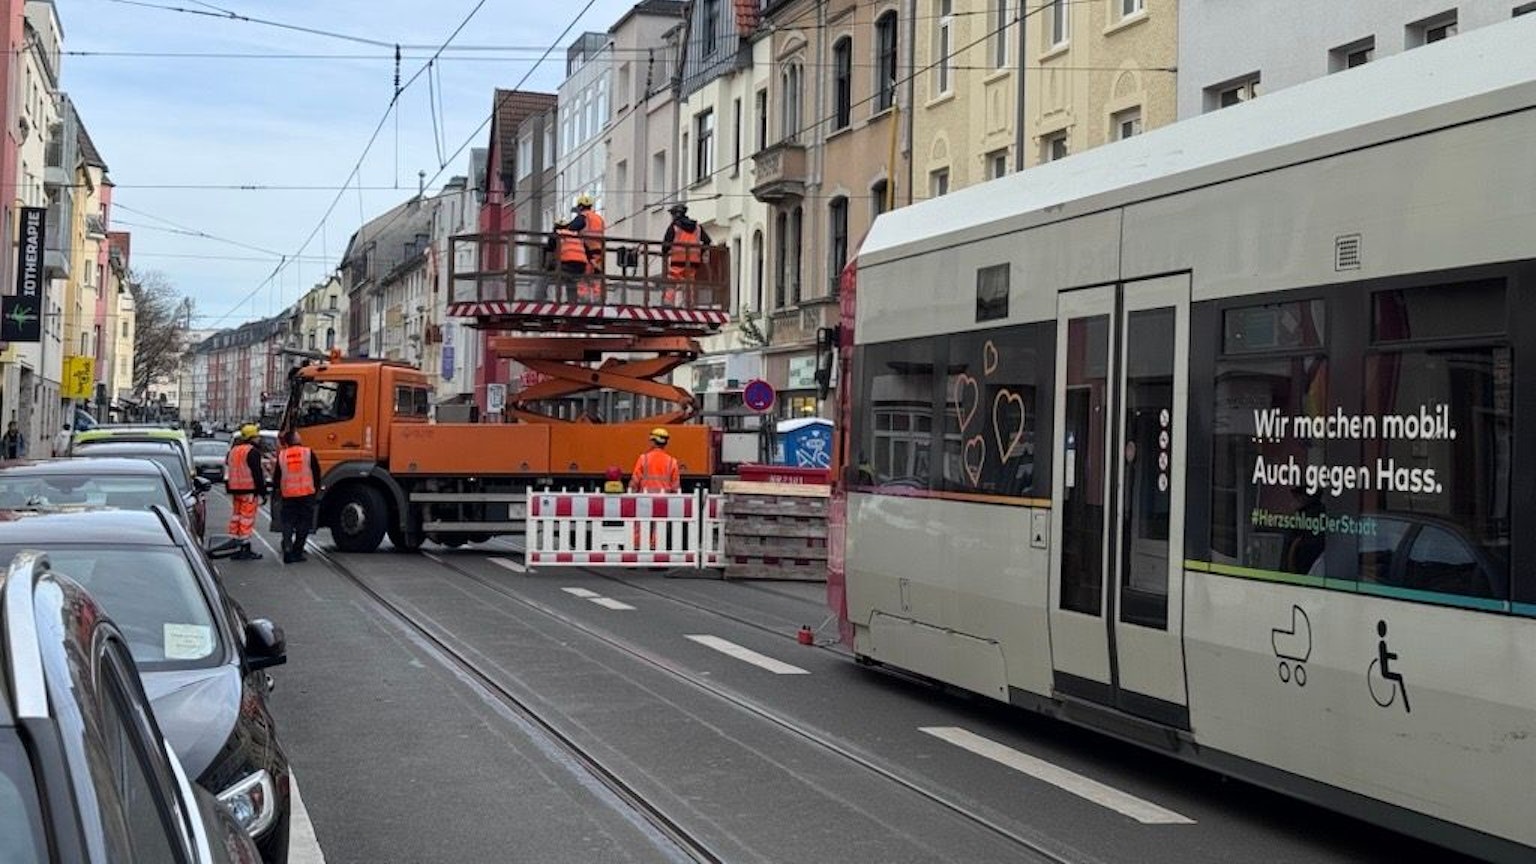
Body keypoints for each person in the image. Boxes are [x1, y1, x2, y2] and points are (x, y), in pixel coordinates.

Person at [272, 429, 323, 564]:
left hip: (288, 494)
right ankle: (297, 550)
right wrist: (316, 489)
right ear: (296, 439)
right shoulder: (307, 453)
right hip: (306, 494)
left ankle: (287, 549)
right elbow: (316, 472)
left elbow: (277, 476)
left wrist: (277, 491)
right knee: (304, 523)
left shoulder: (283, 455)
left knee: (287, 523)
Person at [224, 423, 267, 560]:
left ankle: (235, 545)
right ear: (251, 437)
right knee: (246, 519)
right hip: (249, 490)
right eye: (257, 437)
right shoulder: (252, 452)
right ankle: (244, 547)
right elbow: (257, 473)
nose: (259, 439)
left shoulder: (233, 451)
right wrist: (262, 491)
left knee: (236, 517)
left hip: (235, 489)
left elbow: (228, 469)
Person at [661, 204, 711, 305]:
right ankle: (689, 303)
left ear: (675, 215)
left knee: (673, 280)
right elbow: (707, 241)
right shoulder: (697, 227)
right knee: (689, 281)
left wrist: (664, 252)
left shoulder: (674, 227)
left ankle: (668, 302)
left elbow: (666, 245)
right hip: (693, 261)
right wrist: (700, 252)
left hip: (678, 259)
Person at [568, 193, 606, 300]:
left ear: (580, 207)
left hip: (587, 251)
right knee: (597, 277)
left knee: (584, 277)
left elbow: (571, 228)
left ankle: (583, 300)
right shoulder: (599, 218)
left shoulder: (583, 217)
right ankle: (598, 299)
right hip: (600, 252)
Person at [544, 218, 590, 302]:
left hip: (567, 263)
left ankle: (552, 299)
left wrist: (546, 267)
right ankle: (572, 301)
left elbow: (549, 253)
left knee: (550, 278)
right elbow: (587, 251)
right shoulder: (575, 235)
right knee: (571, 281)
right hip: (581, 266)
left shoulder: (556, 234)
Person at [629, 427, 681, 494]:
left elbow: (635, 481)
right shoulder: (672, 461)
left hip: (645, 497)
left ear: (653, 442)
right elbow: (675, 486)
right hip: (665, 498)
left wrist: (631, 495)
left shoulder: (643, 459)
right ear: (666, 443)